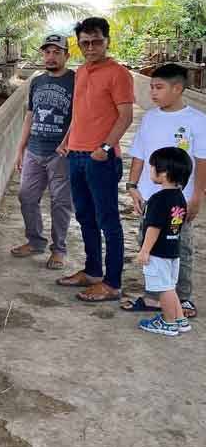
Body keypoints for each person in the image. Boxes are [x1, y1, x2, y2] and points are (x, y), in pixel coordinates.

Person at [55, 17, 134, 301]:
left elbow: (126, 116)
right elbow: (79, 112)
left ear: (107, 41)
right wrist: (67, 141)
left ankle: (112, 284)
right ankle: (92, 271)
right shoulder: (81, 72)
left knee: (108, 220)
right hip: (75, 154)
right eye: (85, 42)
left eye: (96, 41)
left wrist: (104, 147)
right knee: (85, 216)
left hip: (100, 158)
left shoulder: (119, 74)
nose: (90, 47)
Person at [122, 63, 202, 320]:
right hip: (149, 198)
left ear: (177, 88)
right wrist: (133, 186)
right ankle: (153, 297)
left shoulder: (197, 121)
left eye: (159, 87)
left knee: (179, 247)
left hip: (180, 200)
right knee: (148, 245)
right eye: (151, 87)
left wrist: (197, 197)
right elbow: (138, 155)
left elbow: (202, 162)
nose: (153, 93)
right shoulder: (150, 118)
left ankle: (183, 297)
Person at [11, 34, 74, 269]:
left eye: (57, 52)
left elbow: (79, 117)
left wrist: (66, 142)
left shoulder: (75, 81)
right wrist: (20, 149)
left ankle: (58, 250)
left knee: (60, 202)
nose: (51, 57)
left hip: (61, 154)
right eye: (47, 52)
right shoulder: (36, 81)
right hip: (34, 151)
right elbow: (30, 116)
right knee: (26, 196)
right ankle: (35, 241)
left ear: (67, 55)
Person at [134, 147, 192, 336]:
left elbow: (154, 227)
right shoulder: (180, 197)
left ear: (164, 173)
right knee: (169, 286)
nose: (150, 170)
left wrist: (144, 250)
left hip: (158, 253)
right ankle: (180, 319)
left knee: (163, 289)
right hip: (172, 250)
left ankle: (168, 323)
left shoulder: (158, 199)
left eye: (152, 167)